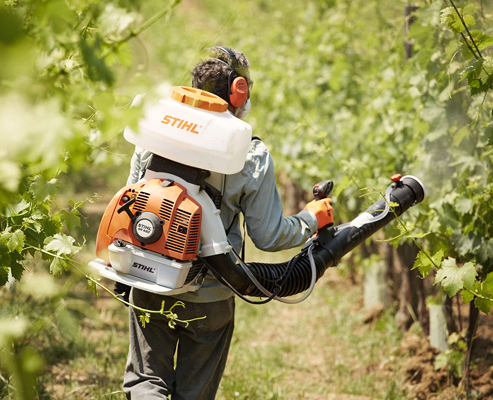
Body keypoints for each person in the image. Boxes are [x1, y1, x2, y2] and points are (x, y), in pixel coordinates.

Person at [120, 46, 334, 399]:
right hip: (212, 293)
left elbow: (131, 199)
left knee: (146, 382)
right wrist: (310, 218)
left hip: (150, 279)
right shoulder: (249, 152)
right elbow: (268, 236)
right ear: (239, 91)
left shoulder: (155, 131)